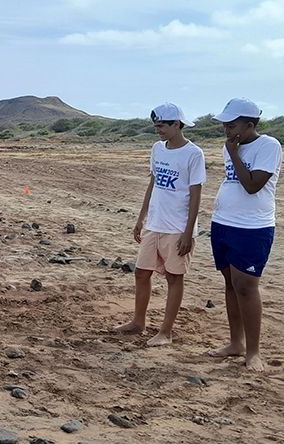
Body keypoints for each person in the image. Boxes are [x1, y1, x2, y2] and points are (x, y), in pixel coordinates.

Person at [115, 103, 206, 346]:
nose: (158, 130)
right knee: (141, 273)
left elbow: (196, 195)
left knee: (174, 278)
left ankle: (166, 332)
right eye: (156, 126)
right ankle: (138, 322)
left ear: (177, 124)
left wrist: (188, 232)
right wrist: (141, 217)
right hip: (154, 224)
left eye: (162, 126)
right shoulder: (157, 149)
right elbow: (152, 183)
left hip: (178, 228)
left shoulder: (194, 154)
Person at [208, 98, 282, 372]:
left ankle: (253, 352)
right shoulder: (230, 147)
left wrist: (235, 154)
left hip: (253, 227)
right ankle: (235, 343)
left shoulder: (268, 146)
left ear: (250, 125)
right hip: (223, 223)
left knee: (247, 287)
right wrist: (232, 151)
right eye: (225, 124)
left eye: (233, 124)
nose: (227, 129)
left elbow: (252, 185)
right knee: (230, 284)